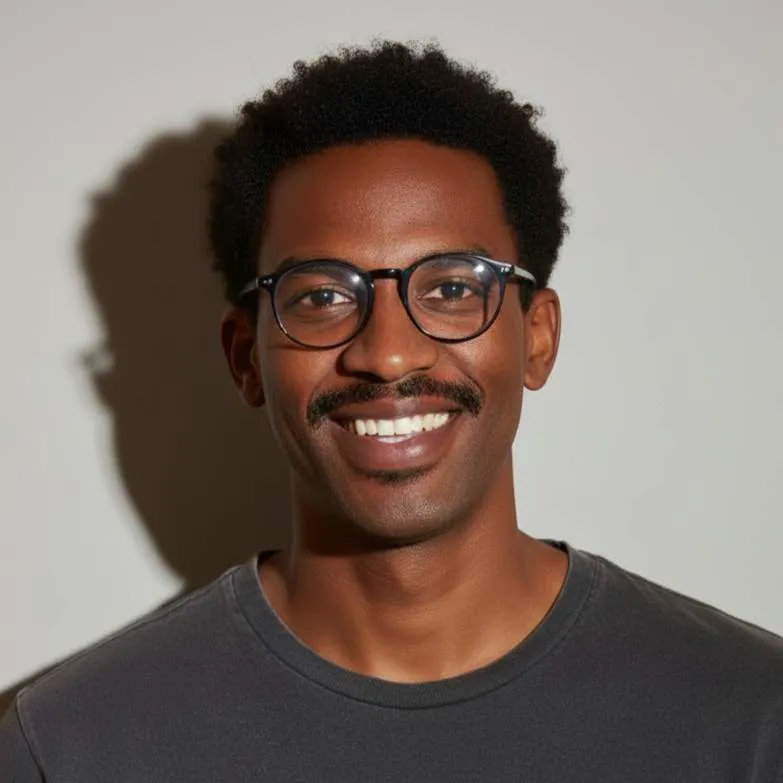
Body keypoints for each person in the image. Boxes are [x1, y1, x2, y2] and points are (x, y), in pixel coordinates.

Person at [1, 40, 782, 782]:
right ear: (246, 358)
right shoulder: (71, 747)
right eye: (322, 296)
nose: (388, 352)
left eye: (448, 287)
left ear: (535, 337)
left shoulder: (749, 717)